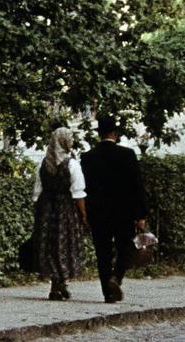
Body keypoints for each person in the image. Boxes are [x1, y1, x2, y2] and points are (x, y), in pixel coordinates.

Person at [81, 118, 147, 303]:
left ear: (100, 134)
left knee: (102, 251)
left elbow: (84, 187)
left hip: (98, 211)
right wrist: (141, 213)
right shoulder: (127, 154)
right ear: (115, 134)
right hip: (123, 211)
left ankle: (107, 292)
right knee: (124, 247)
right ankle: (116, 277)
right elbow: (137, 185)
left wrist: (85, 213)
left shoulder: (88, 157)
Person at [33, 127, 87, 299]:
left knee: (50, 244)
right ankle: (59, 283)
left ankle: (58, 283)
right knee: (65, 243)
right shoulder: (71, 164)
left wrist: (39, 212)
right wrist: (84, 215)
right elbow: (78, 193)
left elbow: (36, 192)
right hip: (66, 209)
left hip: (47, 208)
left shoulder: (43, 165)